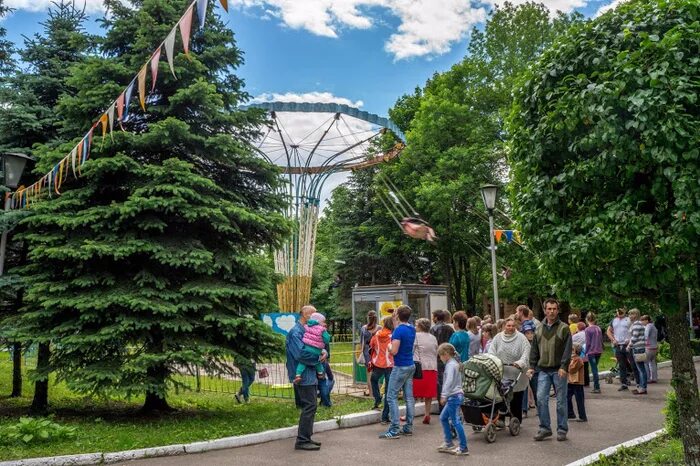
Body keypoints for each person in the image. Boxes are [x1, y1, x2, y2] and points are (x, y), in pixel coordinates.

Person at [527, 298, 572, 442]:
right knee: (540, 399)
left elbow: (567, 349)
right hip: (543, 370)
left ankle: (562, 429)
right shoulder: (539, 328)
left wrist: (564, 366)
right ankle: (545, 428)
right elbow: (534, 349)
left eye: (554, 309)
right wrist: (532, 367)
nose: (551, 311)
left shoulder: (564, 328)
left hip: (559, 370)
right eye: (549, 309)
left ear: (557, 310)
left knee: (561, 401)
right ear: (545, 310)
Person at [286, 305, 325, 451]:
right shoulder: (296, 332)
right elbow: (300, 354)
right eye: (314, 315)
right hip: (302, 375)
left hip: (309, 373)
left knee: (311, 405)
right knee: (310, 405)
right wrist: (318, 357)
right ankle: (302, 440)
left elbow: (316, 345)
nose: (316, 319)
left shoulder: (307, 331)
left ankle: (306, 438)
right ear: (306, 315)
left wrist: (323, 352)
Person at [379, 305, 416, 439]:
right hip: (410, 365)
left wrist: (388, 346)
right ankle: (408, 427)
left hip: (400, 366)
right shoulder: (411, 328)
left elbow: (394, 351)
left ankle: (394, 429)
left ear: (398, 316)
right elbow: (399, 330)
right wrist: (396, 319)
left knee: (391, 396)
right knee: (409, 398)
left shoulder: (398, 331)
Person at [488, 317, 530, 423]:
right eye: (508, 325)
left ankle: (516, 419)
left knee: (516, 397)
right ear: (504, 326)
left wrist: (520, 363)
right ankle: (500, 419)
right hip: (502, 372)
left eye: (513, 326)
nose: (511, 328)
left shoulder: (521, 338)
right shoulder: (497, 338)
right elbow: (491, 351)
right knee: (500, 396)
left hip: (517, 373)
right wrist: (494, 361)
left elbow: (526, 353)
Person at [436, 343, 469, 456]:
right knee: (444, 417)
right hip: (456, 395)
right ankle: (449, 442)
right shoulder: (454, 363)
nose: (440, 358)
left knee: (455, 421)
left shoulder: (450, 365)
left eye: (440, 356)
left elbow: (449, 381)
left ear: (445, 354)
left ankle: (463, 447)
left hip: (453, 396)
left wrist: (443, 395)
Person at [413, 318, 438, 424]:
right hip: (432, 367)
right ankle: (427, 414)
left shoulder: (416, 336)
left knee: (412, 393)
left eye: (416, 325)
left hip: (419, 368)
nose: (415, 327)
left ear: (420, 326)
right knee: (428, 394)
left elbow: (411, 350)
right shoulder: (433, 338)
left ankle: (410, 414)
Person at [370, 315, 394, 423]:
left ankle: (377, 398)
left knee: (373, 380)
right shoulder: (393, 336)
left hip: (378, 363)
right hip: (390, 365)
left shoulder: (377, 334)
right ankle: (385, 417)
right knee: (388, 391)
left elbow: (372, 345)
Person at [294, 312, 331, 384]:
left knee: (302, 363)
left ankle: (298, 375)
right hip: (317, 349)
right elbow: (327, 340)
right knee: (318, 362)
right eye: (323, 321)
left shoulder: (306, 326)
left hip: (307, 347)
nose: (324, 323)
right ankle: (320, 374)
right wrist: (326, 333)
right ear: (319, 321)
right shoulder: (322, 329)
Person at [607, 308, 638, 391]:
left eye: (621, 311)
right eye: (617, 311)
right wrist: (613, 340)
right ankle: (624, 384)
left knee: (633, 364)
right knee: (621, 365)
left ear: (625, 311)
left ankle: (639, 384)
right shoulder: (614, 320)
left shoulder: (628, 319)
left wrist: (630, 339)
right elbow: (608, 331)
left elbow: (635, 331)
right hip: (618, 345)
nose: (619, 312)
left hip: (628, 345)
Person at [430, 309, 454, 406]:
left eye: (433, 316)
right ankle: (449, 403)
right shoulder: (449, 329)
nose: (432, 319)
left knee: (440, 382)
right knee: (449, 380)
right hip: (448, 357)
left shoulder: (433, 329)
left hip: (438, 358)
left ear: (436, 317)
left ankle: (442, 406)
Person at [627, 309, 648, 395]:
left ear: (635, 315)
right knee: (641, 368)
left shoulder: (636, 324)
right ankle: (641, 387)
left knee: (641, 369)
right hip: (640, 347)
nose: (629, 316)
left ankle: (643, 388)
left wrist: (629, 345)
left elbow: (634, 337)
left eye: (630, 315)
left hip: (637, 348)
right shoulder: (639, 324)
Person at [360, 311, 380, 397]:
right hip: (376, 351)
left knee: (369, 373)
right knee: (376, 373)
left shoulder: (364, 328)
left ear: (368, 318)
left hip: (367, 352)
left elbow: (362, 343)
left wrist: (361, 352)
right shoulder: (379, 328)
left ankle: (371, 394)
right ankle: (377, 393)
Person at [520, 320, 537, 415]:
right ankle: (524, 409)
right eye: (527, 333)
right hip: (525, 368)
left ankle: (539, 407)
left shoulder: (536, 343)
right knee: (524, 388)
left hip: (534, 368)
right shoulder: (523, 343)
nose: (530, 335)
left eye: (531, 333)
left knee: (536, 388)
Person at [567, 343, 587, 422]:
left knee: (579, 400)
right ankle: (570, 413)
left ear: (576, 351)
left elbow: (572, 369)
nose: (571, 351)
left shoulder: (578, 359)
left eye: (572, 350)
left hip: (578, 382)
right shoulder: (572, 359)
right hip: (571, 382)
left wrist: (567, 365)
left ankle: (582, 416)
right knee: (566, 397)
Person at [584, 312, 604, 393]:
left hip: (591, 351)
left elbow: (587, 342)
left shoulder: (587, 330)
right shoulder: (598, 328)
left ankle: (597, 387)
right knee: (595, 368)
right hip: (599, 351)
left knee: (594, 369)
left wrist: (586, 352)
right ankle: (596, 386)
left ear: (587, 319)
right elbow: (601, 340)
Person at [641, 315, 658, 384]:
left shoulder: (648, 326)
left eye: (643, 320)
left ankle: (647, 378)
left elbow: (646, 335)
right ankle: (654, 378)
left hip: (648, 347)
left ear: (647, 320)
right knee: (652, 363)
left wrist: (642, 341)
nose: (642, 322)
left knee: (645, 363)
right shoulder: (653, 326)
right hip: (654, 347)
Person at [572, 321, 590, 387]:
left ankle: (579, 381)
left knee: (578, 368)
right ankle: (586, 382)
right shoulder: (587, 334)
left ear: (578, 328)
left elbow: (571, 343)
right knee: (586, 367)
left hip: (579, 353)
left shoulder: (575, 336)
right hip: (587, 353)